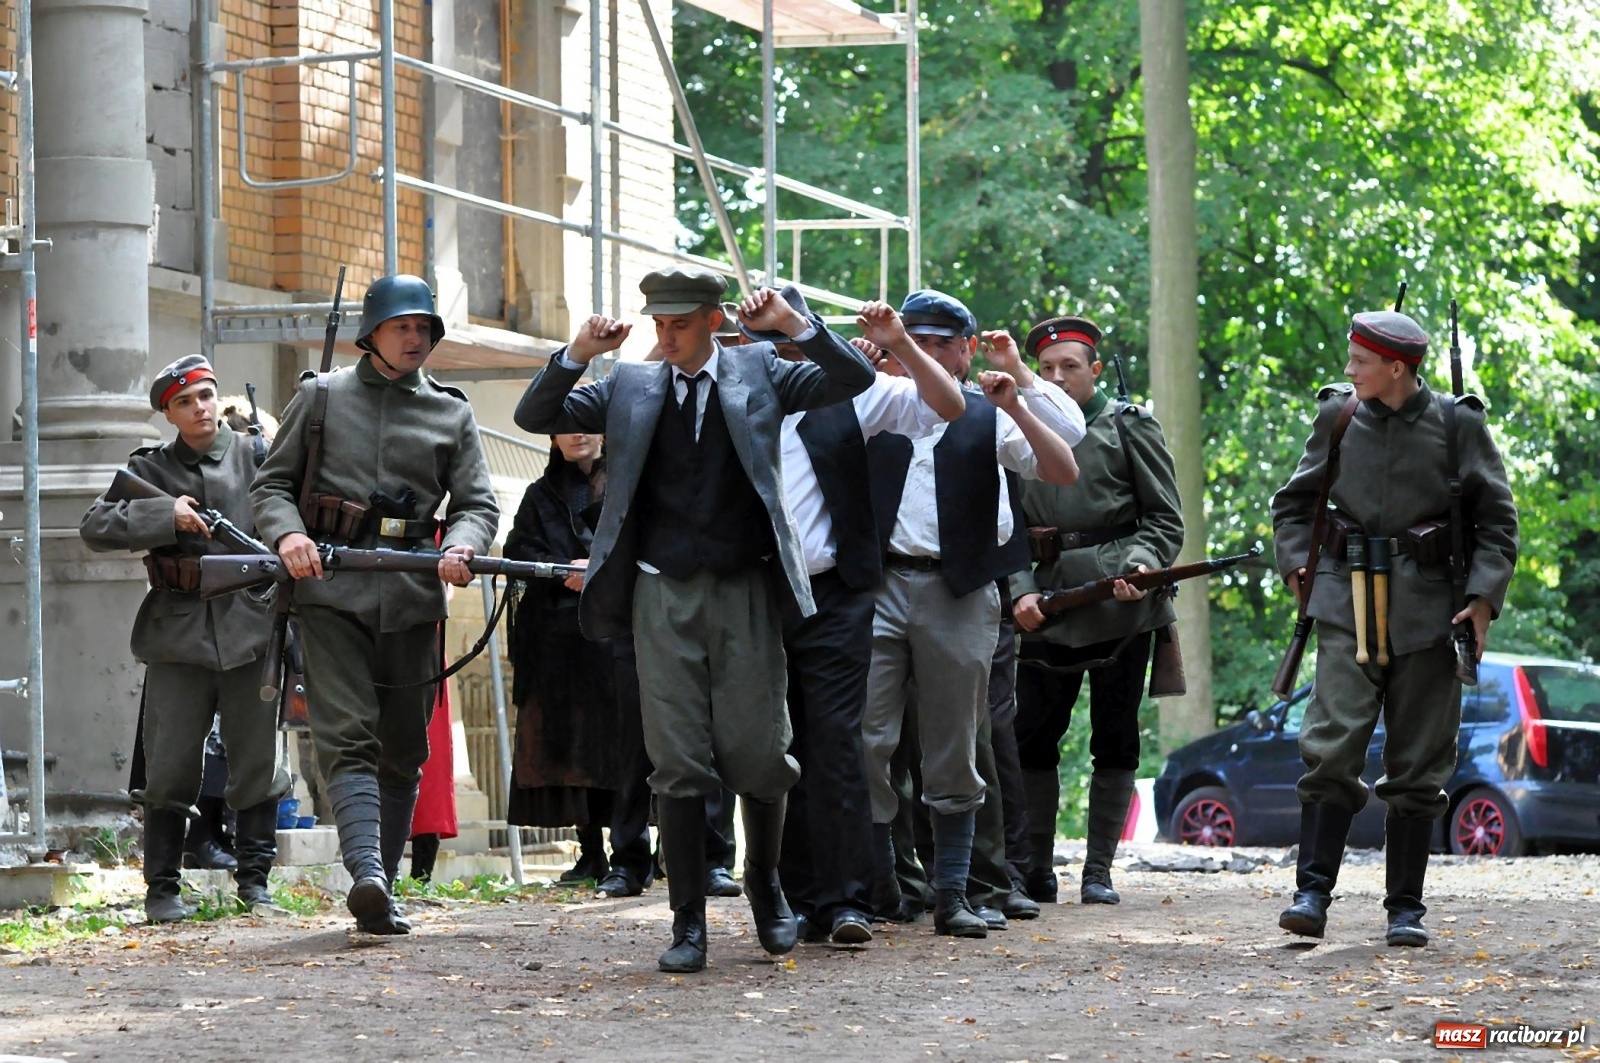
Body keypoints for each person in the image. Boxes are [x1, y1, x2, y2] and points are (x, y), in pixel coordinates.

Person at [514, 265, 875, 973]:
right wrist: (580, 351)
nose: (667, 336)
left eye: (680, 323)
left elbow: (852, 379)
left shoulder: (761, 369)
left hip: (744, 588)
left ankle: (767, 885)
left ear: (714, 320)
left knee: (762, 752)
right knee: (677, 761)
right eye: (659, 324)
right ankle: (687, 922)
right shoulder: (630, 386)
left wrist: (794, 325)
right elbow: (535, 416)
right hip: (660, 594)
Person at [251, 274, 500, 934]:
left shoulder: (451, 412)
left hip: (416, 595)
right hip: (332, 590)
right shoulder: (321, 398)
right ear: (373, 333)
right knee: (348, 735)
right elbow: (270, 485)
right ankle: (367, 874)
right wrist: (290, 532)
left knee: (404, 747)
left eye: (424, 328)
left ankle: (381, 888)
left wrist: (465, 546)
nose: (415, 337)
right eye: (403, 327)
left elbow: (477, 504)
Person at [1270, 308, 1517, 947]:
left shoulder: (1458, 425)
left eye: (1360, 362)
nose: (1349, 370)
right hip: (1343, 602)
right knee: (1330, 744)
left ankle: (1405, 907)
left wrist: (1482, 601)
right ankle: (1311, 894)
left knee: (1420, 762)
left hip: (1433, 613)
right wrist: (1298, 566)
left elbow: (1497, 523)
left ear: (1397, 368)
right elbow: (1294, 505)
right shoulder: (1338, 416)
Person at [861, 290, 1084, 939]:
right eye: (914, 342)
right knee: (865, 742)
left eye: (938, 345)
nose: (925, 355)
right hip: (880, 585)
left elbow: (1062, 463)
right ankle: (881, 884)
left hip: (960, 592)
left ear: (965, 349)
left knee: (954, 748)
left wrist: (1018, 395)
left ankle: (953, 892)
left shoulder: (989, 414)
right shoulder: (873, 400)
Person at [749, 289, 965, 946]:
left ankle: (846, 901)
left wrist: (898, 343)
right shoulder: (738, 398)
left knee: (838, 740)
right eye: (767, 339)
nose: (779, 352)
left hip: (837, 594)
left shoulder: (854, 388)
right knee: (769, 747)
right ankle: (786, 893)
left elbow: (947, 404)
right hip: (757, 599)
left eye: (789, 338)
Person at [80, 355, 291, 921]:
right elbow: (95, 527)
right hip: (178, 632)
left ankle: (255, 885)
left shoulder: (259, 454)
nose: (199, 408)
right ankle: (162, 890)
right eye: (184, 402)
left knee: (256, 762)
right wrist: (163, 514)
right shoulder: (149, 468)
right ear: (168, 413)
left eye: (205, 395)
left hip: (251, 627)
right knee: (170, 767)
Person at [1009, 316, 1185, 905]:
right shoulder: (1016, 424)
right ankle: (1034, 868)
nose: (1057, 377)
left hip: (1121, 608)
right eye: (1047, 368)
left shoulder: (1128, 426)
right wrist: (1018, 591)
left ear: (1096, 371)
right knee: (1031, 735)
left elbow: (1164, 519)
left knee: (1115, 738)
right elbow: (1002, 524)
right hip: (1043, 603)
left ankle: (1099, 871)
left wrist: (1140, 564)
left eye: (1070, 367)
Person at [504, 431, 654, 897]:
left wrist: (598, 565)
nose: (578, 434)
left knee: (628, 743)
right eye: (566, 426)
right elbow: (517, 551)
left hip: (621, 634)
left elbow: (649, 542)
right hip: (558, 643)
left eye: (587, 423)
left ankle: (639, 853)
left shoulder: (632, 482)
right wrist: (560, 566)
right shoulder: (539, 494)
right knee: (570, 749)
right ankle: (590, 851)